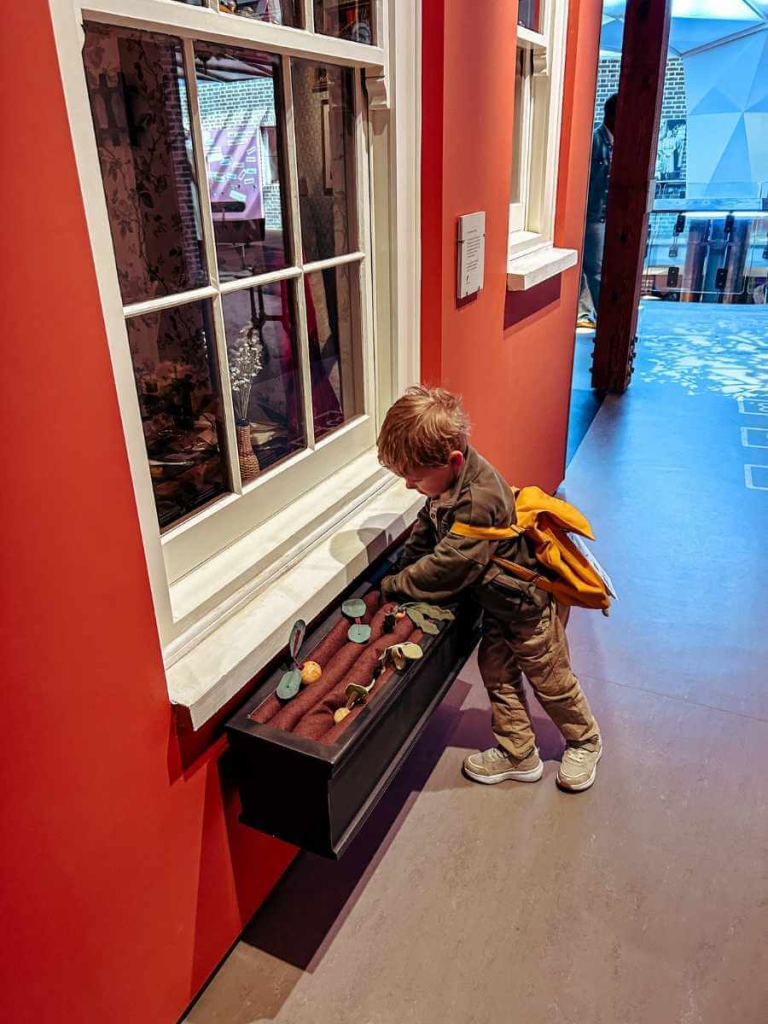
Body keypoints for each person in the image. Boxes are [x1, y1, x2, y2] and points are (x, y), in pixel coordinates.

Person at [378, 386, 603, 792]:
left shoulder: (481, 499)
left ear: (453, 460)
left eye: (415, 480)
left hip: (531, 610)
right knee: (497, 672)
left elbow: (450, 568)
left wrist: (396, 583)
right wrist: (406, 563)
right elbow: (428, 526)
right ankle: (519, 752)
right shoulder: (446, 485)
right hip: (501, 606)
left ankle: (585, 740)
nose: (412, 487)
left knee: (550, 679)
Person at [577, 93, 617, 329]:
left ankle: (586, 313)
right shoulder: (595, 142)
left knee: (593, 267)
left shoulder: (612, 144)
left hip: (603, 216)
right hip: (593, 217)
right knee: (595, 269)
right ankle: (605, 318)